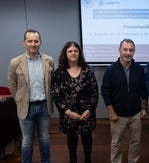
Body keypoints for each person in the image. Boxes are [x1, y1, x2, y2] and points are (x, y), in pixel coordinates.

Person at [8, 29, 54, 163]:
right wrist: (19, 100)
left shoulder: (48, 61)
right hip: (26, 108)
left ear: (40, 42)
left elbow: (52, 83)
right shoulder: (15, 62)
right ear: (24, 43)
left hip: (44, 107)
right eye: (30, 41)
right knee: (27, 141)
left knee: (44, 138)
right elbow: (12, 84)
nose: (33, 44)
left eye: (36, 41)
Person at [101, 39, 148, 163]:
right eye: (125, 49)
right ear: (119, 50)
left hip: (136, 114)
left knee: (136, 143)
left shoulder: (139, 69)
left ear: (134, 52)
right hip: (118, 115)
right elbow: (105, 92)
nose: (128, 53)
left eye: (131, 50)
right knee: (116, 143)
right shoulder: (111, 70)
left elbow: (143, 90)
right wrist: (111, 112)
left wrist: (144, 107)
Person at [51, 41, 99, 163]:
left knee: (87, 137)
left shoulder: (87, 70)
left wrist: (89, 110)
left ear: (79, 53)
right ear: (65, 53)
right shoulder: (59, 72)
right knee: (71, 139)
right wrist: (68, 112)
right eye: (70, 51)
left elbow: (94, 92)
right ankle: (73, 160)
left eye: (75, 51)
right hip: (69, 114)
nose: (73, 53)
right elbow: (56, 95)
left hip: (86, 114)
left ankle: (88, 160)